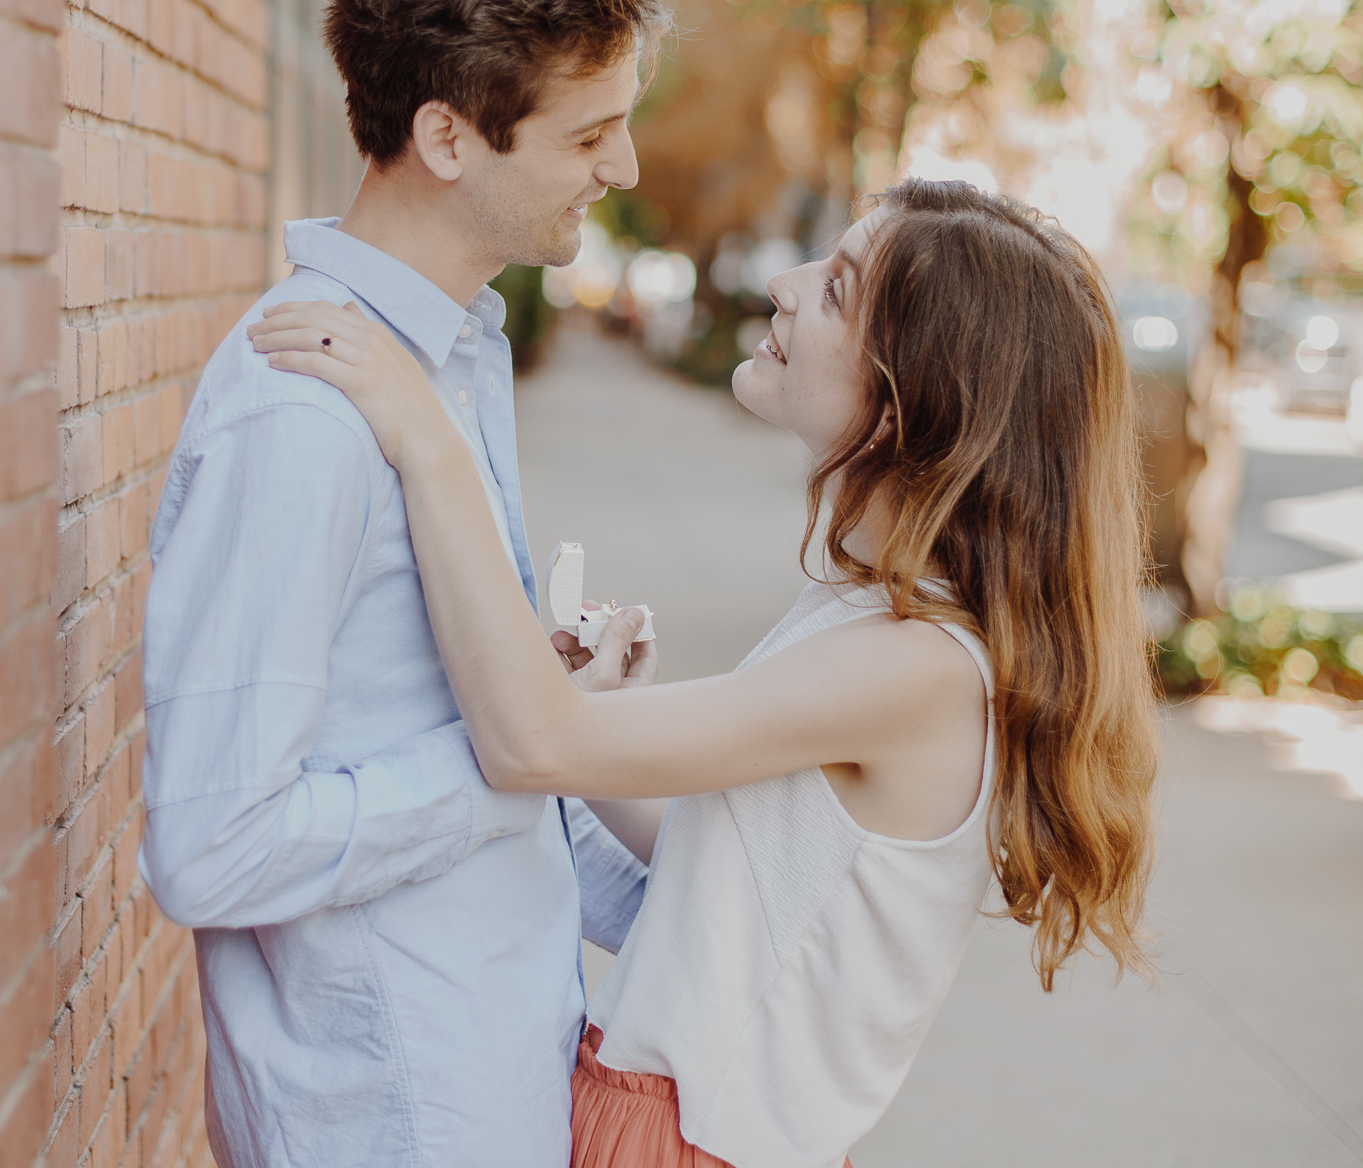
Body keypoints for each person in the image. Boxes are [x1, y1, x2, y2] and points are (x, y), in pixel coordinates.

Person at [248, 178, 1160, 1168]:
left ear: (910, 403)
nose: (782, 282)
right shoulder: (876, 619)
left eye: (839, 290)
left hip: (677, 1142)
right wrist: (616, 724)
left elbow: (528, 743)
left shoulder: (917, 666)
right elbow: (712, 862)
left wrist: (425, 438)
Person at [138, 0, 674, 1168]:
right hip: (390, 1116)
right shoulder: (303, 412)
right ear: (446, 134)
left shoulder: (447, 359)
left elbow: (438, 753)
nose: (626, 168)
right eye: (591, 131)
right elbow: (210, 847)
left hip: (488, 1068)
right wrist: (505, 748)